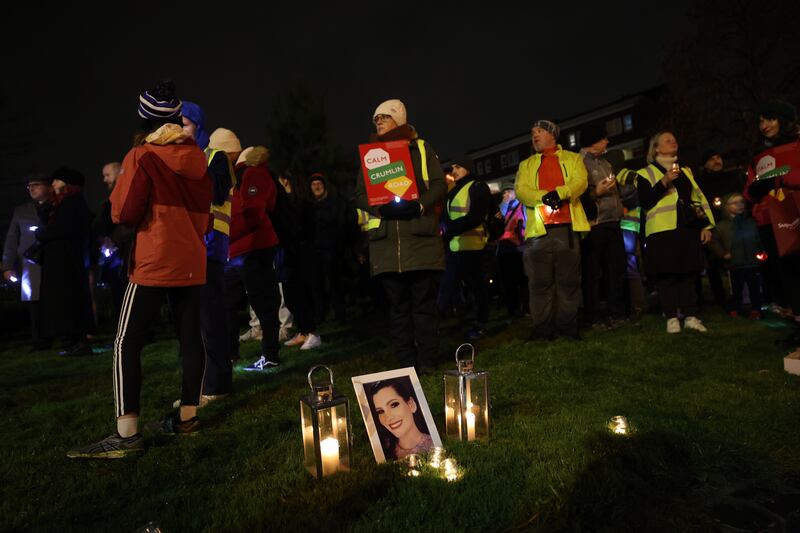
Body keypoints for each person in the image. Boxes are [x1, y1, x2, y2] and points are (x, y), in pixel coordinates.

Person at [67, 80, 213, 459]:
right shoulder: (199, 159)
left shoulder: (142, 156)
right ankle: (187, 418)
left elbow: (125, 213)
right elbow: (207, 219)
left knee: (125, 341)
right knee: (190, 338)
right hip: (192, 257)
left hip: (155, 257)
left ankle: (126, 433)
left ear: (144, 119)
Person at [354, 99, 446, 371]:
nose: (378, 121)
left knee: (424, 309)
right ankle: (406, 365)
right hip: (386, 247)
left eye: (384, 117)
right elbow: (359, 195)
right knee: (398, 311)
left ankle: (428, 363)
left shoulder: (421, 148)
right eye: (376, 118)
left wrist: (418, 205)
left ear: (400, 120)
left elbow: (440, 186)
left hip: (419, 242)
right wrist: (379, 209)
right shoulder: (370, 156)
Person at [180, 102, 235, 404]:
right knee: (192, 323)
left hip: (211, 247)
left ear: (198, 127)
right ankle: (198, 388)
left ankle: (217, 386)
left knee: (210, 320)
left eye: (185, 125)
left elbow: (213, 194)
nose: (180, 131)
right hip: (187, 246)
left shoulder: (215, 158)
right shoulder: (183, 159)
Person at [515, 119, 589, 341]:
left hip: (567, 228)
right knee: (539, 283)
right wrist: (544, 197)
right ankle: (542, 329)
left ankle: (567, 327)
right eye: (532, 133)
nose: (534, 136)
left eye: (539, 131)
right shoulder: (526, 165)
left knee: (568, 281)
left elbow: (581, 182)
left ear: (552, 134)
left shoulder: (573, 158)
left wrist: (559, 193)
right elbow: (521, 190)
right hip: (539, 232)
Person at [636, 131, 715, 334]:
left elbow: (697, 199)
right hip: (662, 231)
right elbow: (645, 202)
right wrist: (664, 181)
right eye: (667, 140)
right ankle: (671, 317)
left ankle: (690, 316)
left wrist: (704, 226)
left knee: (689, 273)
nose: (673, 142)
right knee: (667, 276)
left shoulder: (686, 171)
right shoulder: (645, 173)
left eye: (674, 139)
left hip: (687, 228)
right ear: (656, 149)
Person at [744, 100, 800, 353]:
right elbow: (749, 191)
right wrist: (754, 191)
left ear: (784, 120)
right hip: (769, 221)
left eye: (770, 119)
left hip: (795, 214)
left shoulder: (797, 144)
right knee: (785, 274)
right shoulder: (758, 155)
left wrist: (781, 178)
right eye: (761, 120)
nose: (763, 125)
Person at [225, 143, 283, 371]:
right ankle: (230, 353)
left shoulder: (253, 173)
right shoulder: (241, 176)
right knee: (229, 301)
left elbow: (253, 211)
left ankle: (270, 355)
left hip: (252, 247)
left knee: (263, 302)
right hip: (240, 249)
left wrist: (227, 234)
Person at [35, 167, 95, 356]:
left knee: (67, 299)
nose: (52, 184)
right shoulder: (61, 203)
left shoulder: (72, 202)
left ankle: (74, 341)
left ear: (66, 183)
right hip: (61, 260)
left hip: (66, 261)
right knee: (64, 300)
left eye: (56, 180)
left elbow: (63, 228)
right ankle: (72, 340)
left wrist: (41, 233)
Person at [578, 124, 629, 330]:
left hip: (613, 222)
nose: (607, 142)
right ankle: (594, 316)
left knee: (616, 270)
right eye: (604, 138)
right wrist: (595, 192)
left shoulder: (606, 163)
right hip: (595, 225)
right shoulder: (578, 163)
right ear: (594, 141)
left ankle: (616, 313)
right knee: (593, 274)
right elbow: (578, 195)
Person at [438, 155, 492, 339]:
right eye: (452, 167)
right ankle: (440, 324)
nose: (453, 171)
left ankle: (480, 324)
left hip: (473, 247)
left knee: (477, 288)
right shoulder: (453, 191)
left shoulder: (477, 187)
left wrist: (450, 229)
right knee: (448, 287)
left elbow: (476, 215)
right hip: (454, 247)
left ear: (468, 168)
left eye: (458, 167)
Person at [2, 173, 53, 350]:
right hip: (30, 265)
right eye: (29, 186)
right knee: (34, 303)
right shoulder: (21, 211)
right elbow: (11, 239)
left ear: (48, 186)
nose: (31, 188)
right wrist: (7, 266)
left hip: (52, 261)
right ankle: (38, 339)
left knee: (53, 300)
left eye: (36, 185)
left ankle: (58, 335)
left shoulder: (57, 206)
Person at [708, 193, 763, 319]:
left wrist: (761, 251)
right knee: (736, 289)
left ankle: (756, 309)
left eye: (742, 202)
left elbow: (758, 238)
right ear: (726, 207)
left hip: (752, 261)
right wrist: (722, 253)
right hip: (735, 263)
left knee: (754, 288)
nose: (739, 205)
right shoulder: (722, 226)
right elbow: (713, 241)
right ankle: (734, 308)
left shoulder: (751, 222)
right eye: (735, 203)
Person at [92, 161, 130, 318]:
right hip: (116, 256)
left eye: (107, 175)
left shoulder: (122, 199)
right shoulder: (109, 202)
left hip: (123, 255)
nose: (104, 180)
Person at [366, 377, 433, 460]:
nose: (388, 417)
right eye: (380, 411)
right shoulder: (381, 448)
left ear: (411, 405)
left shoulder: (434, 446)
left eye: (394, 405)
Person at [495, 182, 527, 320]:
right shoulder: (502, 208)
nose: (506, 194)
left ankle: (526, 308)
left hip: (519, 247)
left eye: (509, 191)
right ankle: (513, 310)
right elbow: (497, 222)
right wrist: (503, 205)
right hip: (503, 248)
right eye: (504, 192)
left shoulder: (522, 206)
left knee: (522, 279)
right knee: (508, 282)